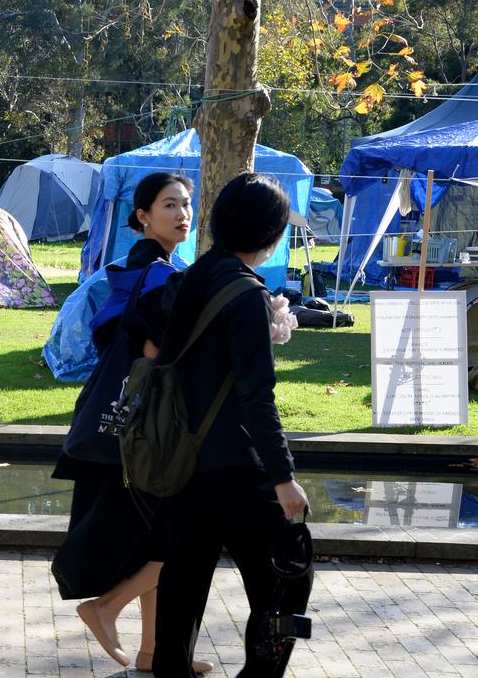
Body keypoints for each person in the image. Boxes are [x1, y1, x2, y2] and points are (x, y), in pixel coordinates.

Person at [151, 173, 313, 678]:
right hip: (237, 469)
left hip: (182, 460)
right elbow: (255, 397)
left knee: (183, 584)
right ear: (267, 232)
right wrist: (283, 478)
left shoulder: (195, 275)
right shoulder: (244, 294)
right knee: (287, 582)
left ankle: (170, 672)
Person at [53, 172, 212, 674]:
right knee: (181, 540)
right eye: (170, 206)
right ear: (142, 216)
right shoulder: (160, 279)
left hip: (123, 429)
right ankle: (105, 608)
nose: (182, 214)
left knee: (156, 541)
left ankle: (155, 655)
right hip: (150, 433)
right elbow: (159, 352)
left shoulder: (131, 270)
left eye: (186, 204)